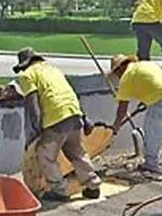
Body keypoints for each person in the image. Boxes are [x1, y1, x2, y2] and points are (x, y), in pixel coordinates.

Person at [9, 47, 102, 201]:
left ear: (24, 65)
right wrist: (84, 117)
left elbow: (32, 105)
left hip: (56, 118)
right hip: (74, 113)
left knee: (45, 154)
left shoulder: (27, 75)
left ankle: (59, 190)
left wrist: (35, 131)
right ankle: (93, 185)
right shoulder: (53, 70)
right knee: (77, 153)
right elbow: (70, 93)